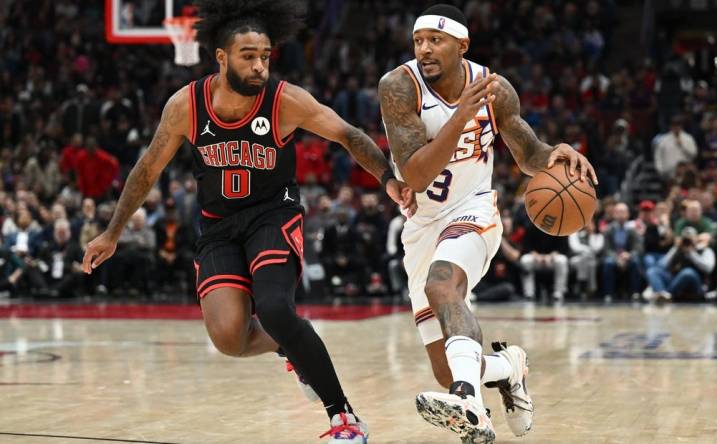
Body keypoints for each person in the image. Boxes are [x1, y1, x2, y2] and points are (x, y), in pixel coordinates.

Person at [82, 0, 415, 441]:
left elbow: (348, 135)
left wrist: (388, 179)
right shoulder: (186, 105)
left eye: (265, 56)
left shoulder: (285, 101)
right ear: (221, 57)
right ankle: (289, 343)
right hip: (218, 227)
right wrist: (112, 232)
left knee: (276, 308)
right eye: (248, 56)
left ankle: (345, 419)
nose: (260, 66)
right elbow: (147, 169)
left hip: (272, 215)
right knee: (229, 339)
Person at [378, 4, 596, 442]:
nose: (424, 49)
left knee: (443, 285)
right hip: (422, 224)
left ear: (462, 45)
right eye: (418, 41)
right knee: (445, 368)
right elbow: (417, 175)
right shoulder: (399, 86)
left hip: (474, 211)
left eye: (435, 41)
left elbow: (529, 152)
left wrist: (556, 151)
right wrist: (461, 118)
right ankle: (507, 367)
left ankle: (470, 402)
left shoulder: (495, 89)